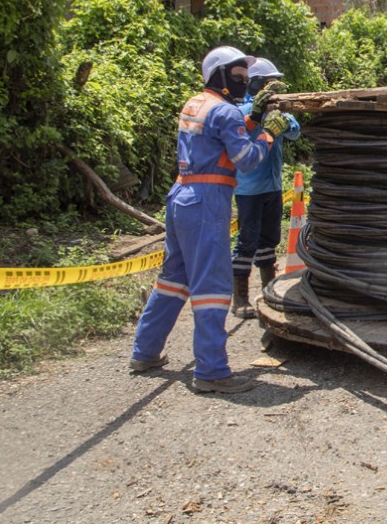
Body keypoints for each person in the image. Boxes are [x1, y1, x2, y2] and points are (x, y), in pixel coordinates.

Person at [128, 46, 291, 394]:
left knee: (173, 278)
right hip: (207, 202)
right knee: (211, 287)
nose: (244, 80)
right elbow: (246, 159)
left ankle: (144, 351)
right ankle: (212, 372)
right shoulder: (227, 112)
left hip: (181, 196)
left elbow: (216, 139)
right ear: (219, 75)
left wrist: (254, 116)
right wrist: (268, 132)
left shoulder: (196, 104)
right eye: (237, 74)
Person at [232, 58, 301, 318]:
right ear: (258, 83)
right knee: (247, 241)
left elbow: (295, 131)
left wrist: (283, 120)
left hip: (272, 185)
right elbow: (241, 132)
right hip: (249, 188)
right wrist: (260, 115)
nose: (275, 86)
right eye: (270, 81)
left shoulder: (280, 110)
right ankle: (239, 299)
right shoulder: (242, 111)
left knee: (269, 240)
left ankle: (268, 290)